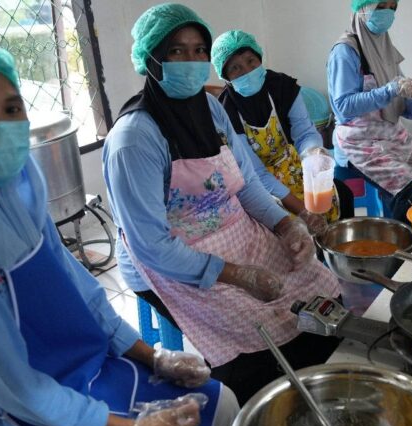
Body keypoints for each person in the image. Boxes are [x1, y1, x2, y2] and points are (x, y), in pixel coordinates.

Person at [0, 43, 238, 426]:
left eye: (11, 108)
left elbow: (80, 288)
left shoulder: (17, 187)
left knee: (225, 403)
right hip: (29, 414)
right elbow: (12, 385)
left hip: (88, 369)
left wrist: (153, 356)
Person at [102, 3, 342, 405]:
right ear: (151, 61)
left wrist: (286, 224)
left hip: (232, 230)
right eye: (177, 51)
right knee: (254, 330)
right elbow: (150, 245)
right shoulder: (135, 141)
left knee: (312, 285)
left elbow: (244, 183)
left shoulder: (210, 108)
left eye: (199, 50)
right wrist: (236, 275)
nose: (193, 62)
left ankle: (320, 381)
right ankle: (265, 403)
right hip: (171, 260)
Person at [210, 29, 354, 233]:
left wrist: (313, 153)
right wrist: (302, 210)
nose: (247, 71)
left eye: (251, 61)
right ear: (226, 77)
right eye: (236, 68)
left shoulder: (281, 87)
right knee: (294, 225)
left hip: (292, 165)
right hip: (258, 183)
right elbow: (255, 172)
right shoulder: (226, 111)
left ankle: (334, 255)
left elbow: (304, 133)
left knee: (343, 195)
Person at [328, 0, 412, 223]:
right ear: (363, 7)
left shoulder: (384, 49)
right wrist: (390, 90)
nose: (388, 13)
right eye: (381, 5)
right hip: (359, 142)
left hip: (390, 135)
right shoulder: (345, 51)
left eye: (393, 7)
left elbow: (401, 103)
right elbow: (343, 107)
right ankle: (406, 252)